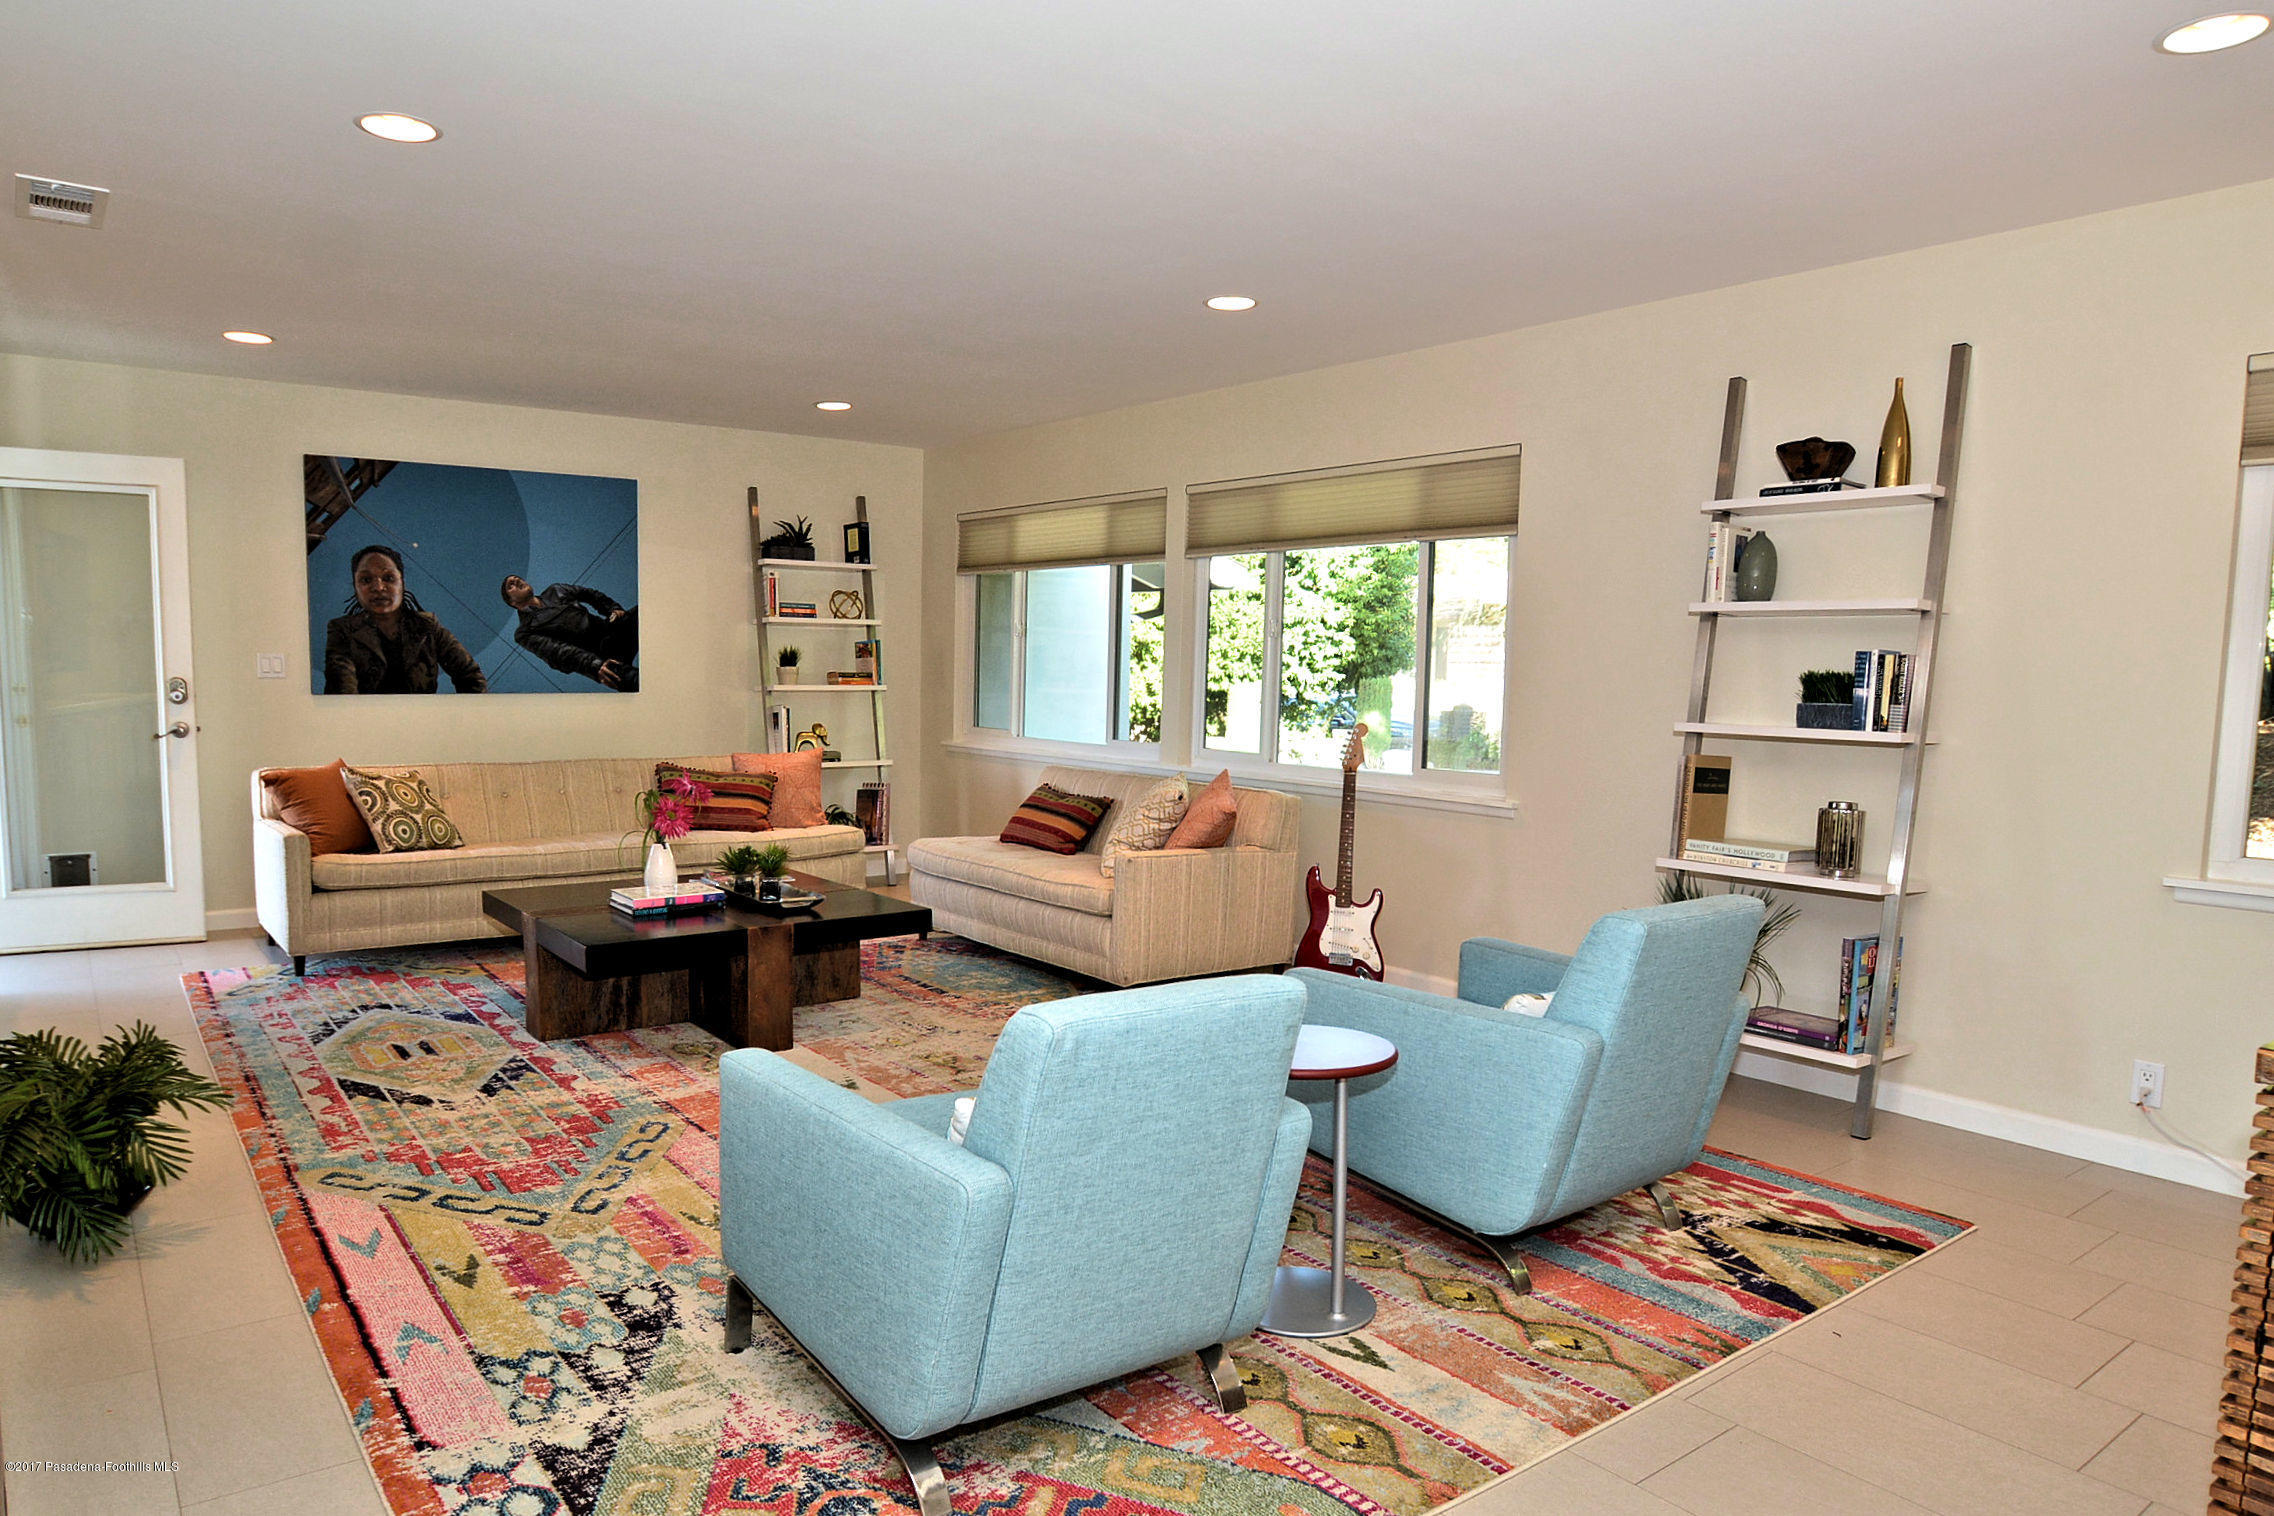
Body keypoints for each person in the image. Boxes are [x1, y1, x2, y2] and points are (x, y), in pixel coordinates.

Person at [323, 544, 487, 694]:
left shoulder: (427, 625)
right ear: (355, 587)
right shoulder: (342, 630)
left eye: (388, 578)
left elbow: (470, 676)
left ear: (402, 583)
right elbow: (341, 688)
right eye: (366, 580)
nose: (378, 587)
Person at [500, 575, 639, 691]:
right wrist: (594, 665)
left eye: (517, 578)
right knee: (638, 681)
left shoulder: (556, 590)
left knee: (648, 612)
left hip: (612, 631)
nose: (516, 580)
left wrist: (612, 608)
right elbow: (557, 652)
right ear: (511, 602)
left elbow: (590, 594)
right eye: (510, 585)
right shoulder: (525, 631)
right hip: (600, 658)